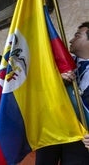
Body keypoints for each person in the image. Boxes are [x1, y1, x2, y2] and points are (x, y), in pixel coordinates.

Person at [35, 22, 89, 164]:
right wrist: (56, 80)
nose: (71, 40)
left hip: (80, 140)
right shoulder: (60, 64)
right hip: (52, 130)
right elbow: (38, 89)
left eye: (77, 36)